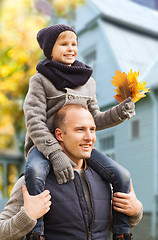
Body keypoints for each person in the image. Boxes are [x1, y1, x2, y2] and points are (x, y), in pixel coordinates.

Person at [23, 23, 136, 240]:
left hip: (76, 147)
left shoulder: (88, 82)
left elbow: (95, 119)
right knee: (35, 172)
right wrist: (55, 154)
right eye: (63, 44)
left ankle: (121, 232)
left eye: (74, 43)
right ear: (50, 50)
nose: (70, 48)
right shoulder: (40, 80)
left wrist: (120, 112)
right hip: (45, 146)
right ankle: (36, 232)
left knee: (122, 175)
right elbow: (34, 121)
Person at [0, 104, 143, 240]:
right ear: (59, 135)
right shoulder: (34, 181)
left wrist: (135, 211)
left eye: (92, 130)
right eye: (80, 130)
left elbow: (106, 227)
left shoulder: (105, 179)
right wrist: (27, 216)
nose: (89, 138)